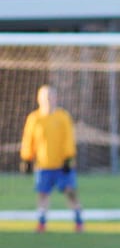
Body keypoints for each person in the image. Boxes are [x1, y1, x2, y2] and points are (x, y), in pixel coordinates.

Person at [18, 84, 83, 233]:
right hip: (43, 165)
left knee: (70, 192)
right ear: (39, 99)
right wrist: (27, 159)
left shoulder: (63, 116)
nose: (48, 99)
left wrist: (68, 157)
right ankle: (41, 223)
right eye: (45, 97)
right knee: (43, 194)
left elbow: (69, 138)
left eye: (51, 96)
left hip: (62, 164)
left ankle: (78, 220)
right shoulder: (34, 118)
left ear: (56, 98)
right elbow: (29, 139)